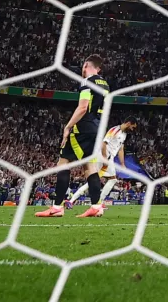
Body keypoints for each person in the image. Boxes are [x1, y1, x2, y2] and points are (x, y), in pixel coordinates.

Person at [36, 55, 109, 218]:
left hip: (82, 128)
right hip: (96, 128)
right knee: (89, 167)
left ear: (86, 66)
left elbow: (83, 108)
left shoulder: (86, 82)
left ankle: (56, 207)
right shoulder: (105, 85)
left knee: (63, 163)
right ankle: (96, 206)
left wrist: (68, 126)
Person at [66, 117, 137, 208]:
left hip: (109, 157)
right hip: (104, 156)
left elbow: (121, 150)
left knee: (96, 180)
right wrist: (104, 158)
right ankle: (99, 202)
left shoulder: (124, 134)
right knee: (111, 179)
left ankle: (72, 200)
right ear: (128, 123)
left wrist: (122, 164)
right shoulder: (114, 130)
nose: (133, 129)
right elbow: (104, 143)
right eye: (133, 127)